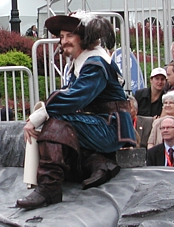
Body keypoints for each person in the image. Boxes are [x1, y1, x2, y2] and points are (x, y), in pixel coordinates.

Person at [16, 11, 136, 209]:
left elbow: (74, 99)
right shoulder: (82, 63)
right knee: (59, 125)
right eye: (62, 37)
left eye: (69, 35)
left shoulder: (95, 64)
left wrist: (36, 117)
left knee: (56, 121)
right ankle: (98, 163)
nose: (63, 41)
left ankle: (49, 188)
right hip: (99, 126)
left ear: (85, 38)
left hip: (110, 129)